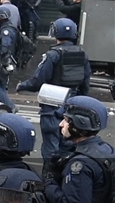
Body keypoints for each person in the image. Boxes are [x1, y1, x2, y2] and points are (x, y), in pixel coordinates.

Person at [16, 18, 91, 163]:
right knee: (68, 144)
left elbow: (38, 80)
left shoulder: (53, 55)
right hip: (72, 106)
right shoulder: (82, 54)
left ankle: (50, 178)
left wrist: (22, 86)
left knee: (51, 147)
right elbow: (85, 83)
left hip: (52, 106)